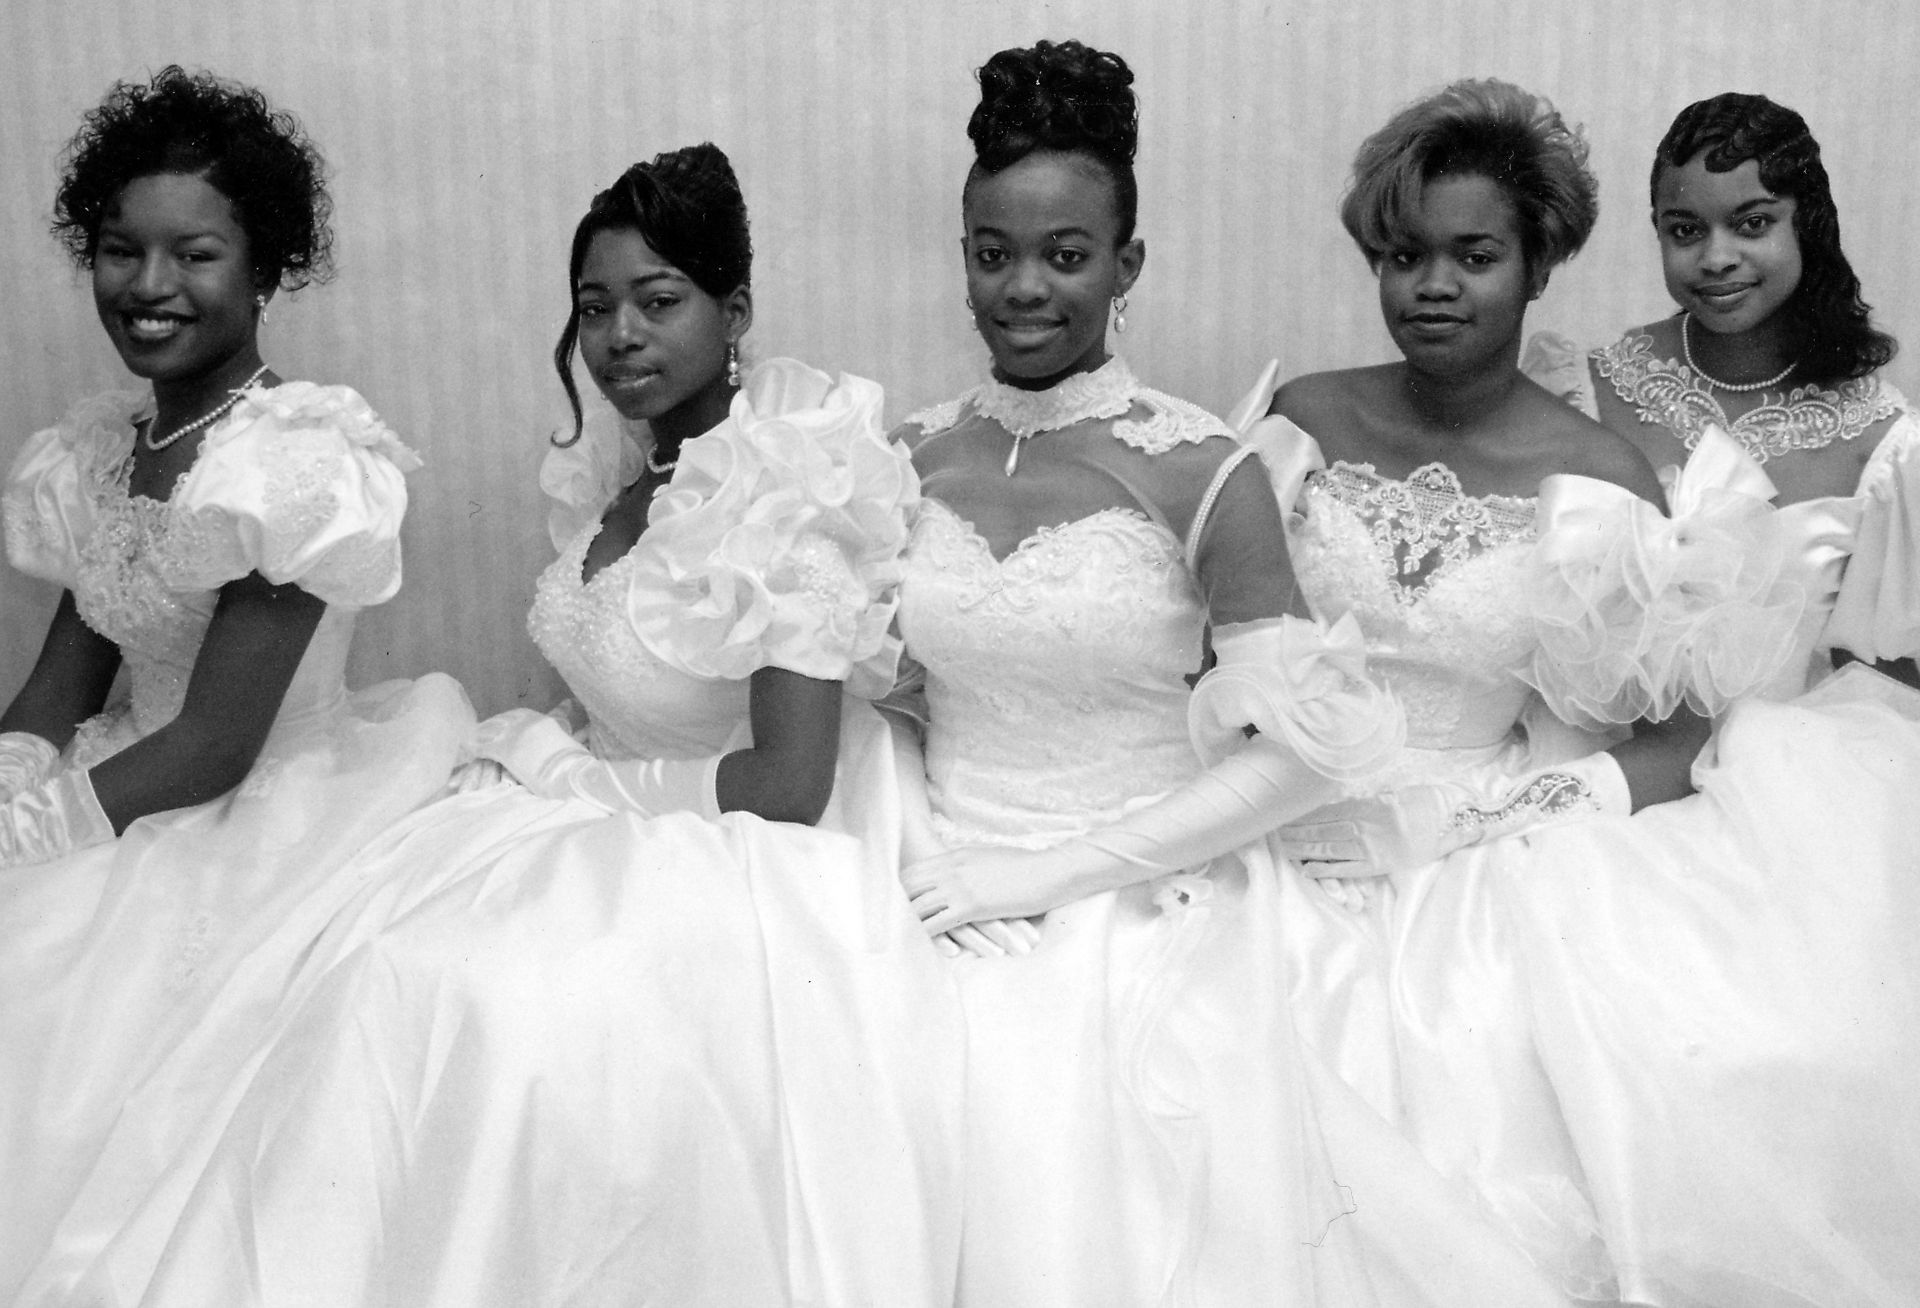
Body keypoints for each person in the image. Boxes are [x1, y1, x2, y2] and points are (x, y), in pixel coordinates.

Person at [118, 144, 963, 1308]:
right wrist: (546, 754)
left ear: (736, 313)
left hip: (750, 848)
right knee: (379, 964)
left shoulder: (789, 498)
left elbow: (791, 782)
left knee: (504, 1009)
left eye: (660, 303)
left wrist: (561, 771)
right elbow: (617, 674)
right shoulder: (619, 482)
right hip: (609, 814)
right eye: (595, 308)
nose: (621, 335)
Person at [893, 43, 1573, 1307]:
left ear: (1127, 264)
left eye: (1066, 254)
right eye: (993, 254)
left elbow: (1313, 751)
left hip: (1137, 896)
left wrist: (1050, 876)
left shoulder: (1202, 468)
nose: (1024, 289)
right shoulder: (913, 452)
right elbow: (887, 690)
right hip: (940, 875)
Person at [1243, 78, 1802, 1298]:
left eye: (1473, 255)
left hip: (1467, 857)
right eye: (1403, 255)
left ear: (1538, 264)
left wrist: (1467, 822)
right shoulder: (1300, 418)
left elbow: (1679, 740)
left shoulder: (1597, 475)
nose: (1432, 286)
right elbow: (1222, 638)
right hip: (1266, 827)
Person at [0, 66, 474, 1300]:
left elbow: (214, 740)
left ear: (263, 270)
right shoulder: (105, 452)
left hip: (255, 803)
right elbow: (61, 684)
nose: (150, 287)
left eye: (194, 254)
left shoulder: (296, 458)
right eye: (119, 250)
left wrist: (27, 835)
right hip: (127, 777)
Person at [1509, 93, 1920, 1305]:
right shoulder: (1592, 380)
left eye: (1751, 223)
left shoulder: (1884, 434)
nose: (1716, 259)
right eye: (1683, 230)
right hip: (1597, 723)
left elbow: (1887, 655)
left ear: (1810, 222)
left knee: (1801, 1030)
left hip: (1793, 762)